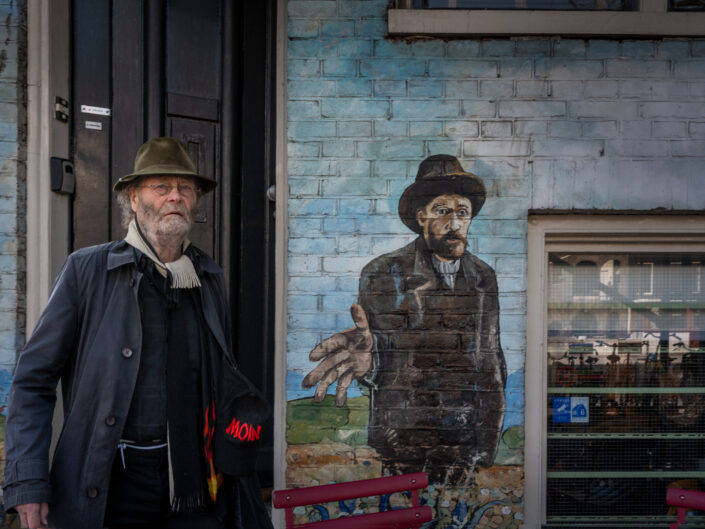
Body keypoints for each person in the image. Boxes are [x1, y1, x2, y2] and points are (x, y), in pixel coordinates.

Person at [3, 138, 273, 529]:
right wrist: (27, 481)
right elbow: (33, 380)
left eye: (185, 188)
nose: (175, 197)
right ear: (133, 198)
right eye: (161, 187)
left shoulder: (207, 277)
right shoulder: (87, 271)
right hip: (111, 484)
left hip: (193, 484)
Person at [303, 154, 507, 484]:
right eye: (442, 211)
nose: (454, 223)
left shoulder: (483, 276)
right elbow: (379, 355)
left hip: (464, 443)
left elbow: (491, 361)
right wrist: (370, 359)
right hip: (402, 442)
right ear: (421, 215)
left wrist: (486, 448)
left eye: (462, 213)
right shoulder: (382, 273)